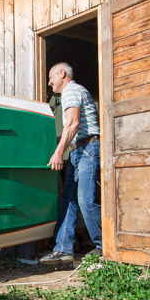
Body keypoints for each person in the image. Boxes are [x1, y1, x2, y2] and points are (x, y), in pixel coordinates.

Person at [41, 62, 101, 264]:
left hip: (88, 150)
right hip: (78, 152)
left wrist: (58, 153)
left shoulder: (71, 91)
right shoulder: (73, 92)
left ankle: (105, 246)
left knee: (85, 200)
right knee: (68, 201)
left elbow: (73, 124)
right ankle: (63, 249)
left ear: (62, 73)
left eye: (51, 78)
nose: (49, 83)